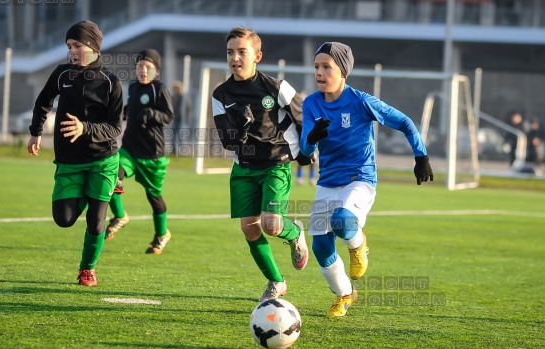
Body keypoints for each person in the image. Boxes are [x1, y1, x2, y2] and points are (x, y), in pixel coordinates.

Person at [299, 42, 434, 318]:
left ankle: (358, 245)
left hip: (359, 177)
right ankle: (345, 294)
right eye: (316, 67)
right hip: (327, 181)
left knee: (341, 220)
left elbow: (405, 122)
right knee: (321, 247)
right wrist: (312, 138)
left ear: (343, 71)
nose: (320, 73)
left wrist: (421, 156)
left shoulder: (361, 101)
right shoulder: (312, 103)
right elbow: (303, 151)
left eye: (327, 67)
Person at [211, 27, 310, 302]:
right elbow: (226, 141)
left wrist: (306, 151)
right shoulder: (220, 95)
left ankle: (295, 232)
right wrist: (239, 132)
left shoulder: (276, 87)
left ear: (257, 56)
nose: (235, 57)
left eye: (242, 51)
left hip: (275, 165)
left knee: (272, 225)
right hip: (243, 168)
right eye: (230, 52)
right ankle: (277, 282)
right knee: (249, 228)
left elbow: (303, 118)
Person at [27, 20, 123, 287]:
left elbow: (114, 127)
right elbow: (43, 102)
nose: (72, 51)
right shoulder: (61, 74)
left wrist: (85, 128)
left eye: (77, 45)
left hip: (102, 160)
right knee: (64, 219)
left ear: (92, 47)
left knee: (96, 222)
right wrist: (36, 131)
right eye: (69, 46)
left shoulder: (111, 82)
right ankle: (97, 189)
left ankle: (87, 270)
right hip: (69, 161)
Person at [104, 49, 175, 255]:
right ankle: (119, 216)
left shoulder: (159, 90)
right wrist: (120, 112)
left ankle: (162, 234)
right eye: (139, 67)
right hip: (129, 151)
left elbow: (169, 116)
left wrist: (151, 113)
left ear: (156, 71)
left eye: (148, 67)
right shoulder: (133, 86)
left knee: (154, 198)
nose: (143, 71)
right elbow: (130, 108)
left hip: (153, 155)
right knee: (110, 176)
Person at [170, 80, 192, 155]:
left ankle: (183, 150)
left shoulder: (184, 98)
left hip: (181, 119)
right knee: (173, 134)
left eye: (177, 88)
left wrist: (187, 118)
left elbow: (188, 108)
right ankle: (173, 150)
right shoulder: (173, 97)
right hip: (175, 119)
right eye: (175, 89)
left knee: (181, 135)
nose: (176, 90)